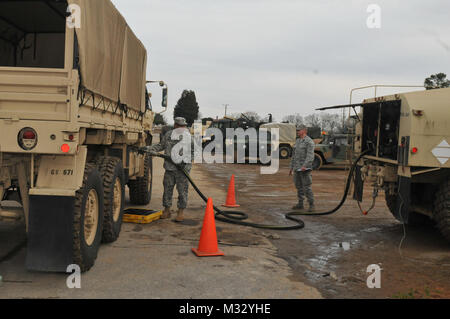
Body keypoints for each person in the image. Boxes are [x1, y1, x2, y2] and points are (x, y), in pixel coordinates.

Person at [146, 117, 194, 222]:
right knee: (167, 190)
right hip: (169, 168)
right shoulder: (168, 135)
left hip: (182, 170)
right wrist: (151, 149)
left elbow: (194, 151)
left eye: (184, 126)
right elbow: (161, 146)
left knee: (182, 191)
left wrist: (187, 163)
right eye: (180, 126)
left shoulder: (188, 137)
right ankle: (167, 210)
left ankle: (180, 211)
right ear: (175, 125)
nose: (183, 128)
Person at [289, 125, 316, 212]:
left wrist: (305, 165)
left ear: (304, 131)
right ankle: (300, 204)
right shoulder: (297, 141)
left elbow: (310, 156)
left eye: (299, 130)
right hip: (297, 168)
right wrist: (291, 167)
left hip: (305, 169)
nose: (297, 131)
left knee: (307, 187)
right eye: (297, 130)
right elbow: (294, 156)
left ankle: (312, 205)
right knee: (298, 187)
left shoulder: (309, 142)